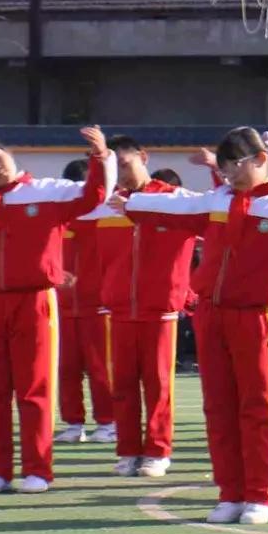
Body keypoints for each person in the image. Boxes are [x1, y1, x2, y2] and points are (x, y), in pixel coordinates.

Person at [121, 131, 268, 525]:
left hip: (258, 315)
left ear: (262, 158)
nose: (229, 172)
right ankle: (230, 492)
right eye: (224, 165)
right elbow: (176, 206)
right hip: (211, 314)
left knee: (257, 408)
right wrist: (131, 201)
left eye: (237, 162)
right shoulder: (218, 201)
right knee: (219, 408)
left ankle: (261, 493)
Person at [0, 129, 114, 492]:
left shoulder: (48, 192)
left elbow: (94, 196)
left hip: (34, 300)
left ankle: (37, 470)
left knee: (34, 388)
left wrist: (100, 157)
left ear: (9, 153)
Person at [81, 141, 197, 479]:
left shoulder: (176, 199)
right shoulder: (104, 205)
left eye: (127, 164)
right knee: (124, 384)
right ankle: (129, 450)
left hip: (160, 308)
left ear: (144, 158)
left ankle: (158, 451)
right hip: (118, 309)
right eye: (114, 168)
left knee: (158, 384)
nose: (123, 175)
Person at [53, 157, 117, 447]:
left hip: (98, 306)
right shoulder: (60, 217)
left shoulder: (106, 216)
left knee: (100, 368)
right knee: (66, 368)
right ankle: (73, 422)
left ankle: (108, 422)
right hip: (64, 306)